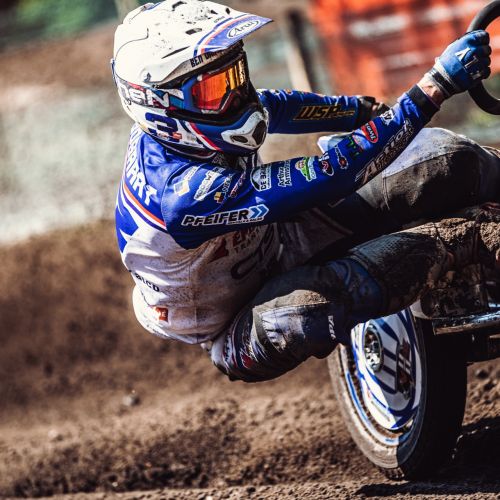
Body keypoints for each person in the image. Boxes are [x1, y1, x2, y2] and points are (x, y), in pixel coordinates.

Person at [112, 0, 498, 382]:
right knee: (308, 309)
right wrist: (433, 88)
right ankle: (467, 238)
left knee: (444, 161)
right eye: (215, 88)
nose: (237, 94)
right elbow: (331, 175)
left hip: (282, 237)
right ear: (159, 104)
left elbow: (275, 106)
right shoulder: (180, 195)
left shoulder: (192, 125)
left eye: (235, 73)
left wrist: (366, 112)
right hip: (235, 326)